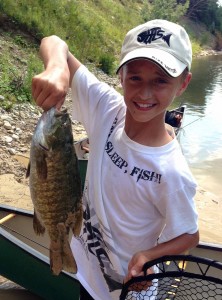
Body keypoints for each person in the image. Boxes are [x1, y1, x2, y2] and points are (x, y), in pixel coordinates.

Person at [32, 19, 199, 300]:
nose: (145, 93)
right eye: (135, 77)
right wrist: (58, 67)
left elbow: (189, 235)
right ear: (120, 76)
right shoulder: (108, 109)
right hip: (89, 273)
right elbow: (52, 41)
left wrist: (150, 255)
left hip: (130, 290)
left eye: (160, 80)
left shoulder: (172, 173)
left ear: (183, 83)